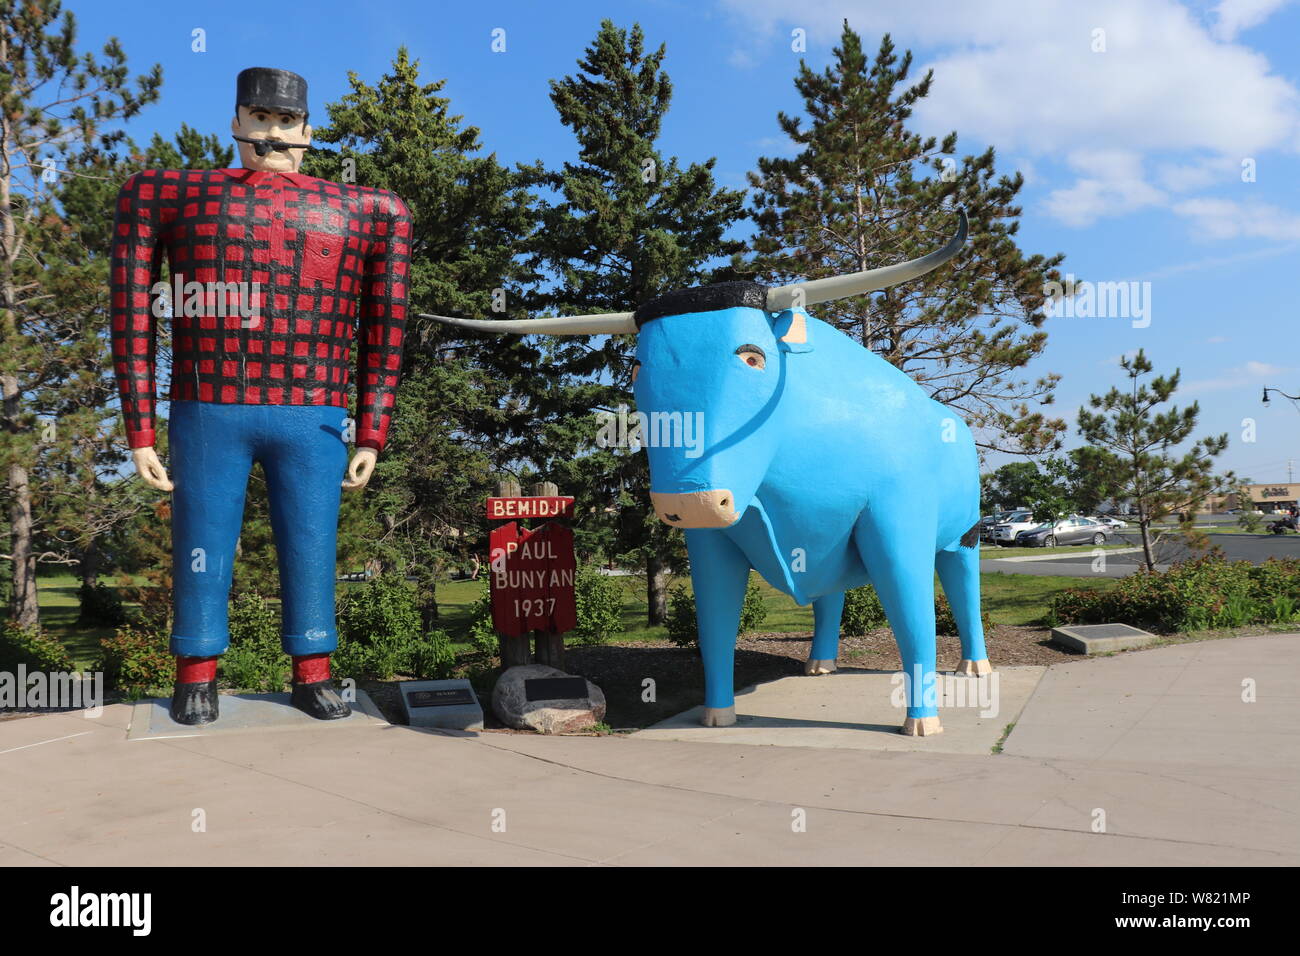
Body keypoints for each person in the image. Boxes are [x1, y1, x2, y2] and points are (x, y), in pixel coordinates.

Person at [110, 67, 412, 725]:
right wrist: (139, 429)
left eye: (285, 122)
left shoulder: (369, 211)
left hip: (315, 406)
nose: (272, 133)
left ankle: (313, 669)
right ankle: (195, 673)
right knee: (204, 538)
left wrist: (371, 429)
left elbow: (386, 324)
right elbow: (131, 311)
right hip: (208, 401)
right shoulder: (166, 194)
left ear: (307, 130)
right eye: (259, 118)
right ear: (236, 123)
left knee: (310, 540)